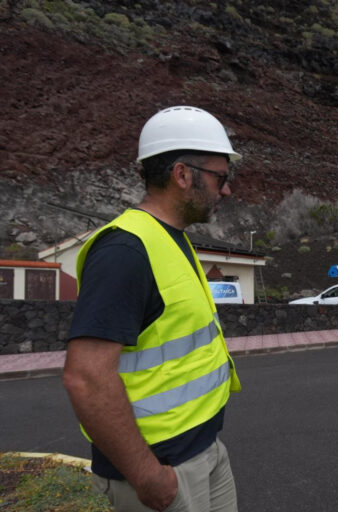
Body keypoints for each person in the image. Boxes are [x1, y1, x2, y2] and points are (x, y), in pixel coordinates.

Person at [62, 106, 243, 512]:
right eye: (220, 177)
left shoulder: (171, 239)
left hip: (203, 450)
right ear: (182, 175)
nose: (226, 190)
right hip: (161, 470)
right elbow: (86, 378)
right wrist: (147, 476)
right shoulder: (125, 251)